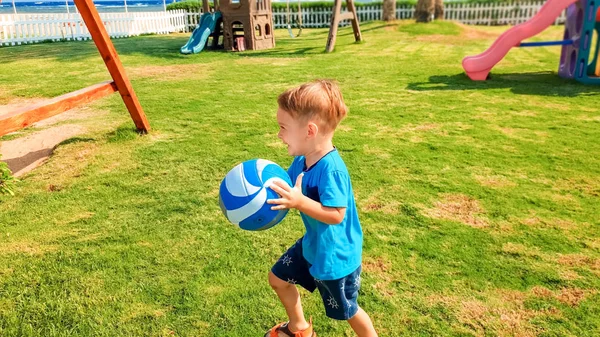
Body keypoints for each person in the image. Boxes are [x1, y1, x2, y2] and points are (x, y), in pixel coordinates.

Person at [265, 80, 378, 337]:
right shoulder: (302, 160)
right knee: (278, 279)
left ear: (309, 130)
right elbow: (284, 183)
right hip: (312, 246)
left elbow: (337, 215)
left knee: (348, 311)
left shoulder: (332, 170)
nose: (279, 134)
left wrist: (300, 202)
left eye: (283, 128)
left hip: (336, 257)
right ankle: (299, 328)